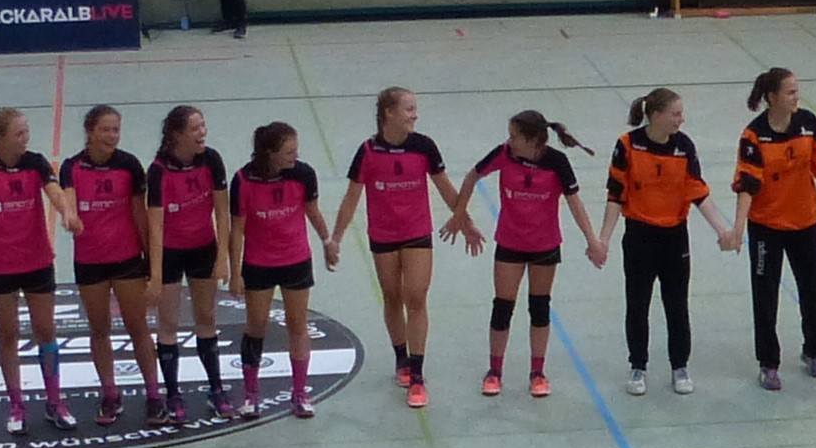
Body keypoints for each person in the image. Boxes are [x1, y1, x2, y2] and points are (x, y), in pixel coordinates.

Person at [325, 87, 482, 409]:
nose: (415, 115)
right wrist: (335, 238)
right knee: (393, 296)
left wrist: (465, 222)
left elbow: (446, 189)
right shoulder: (368, 152)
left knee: (416, 296)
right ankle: (401, 358)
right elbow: (351, 198)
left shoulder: (424, 147)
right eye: (409, 109)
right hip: (383, 235)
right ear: (389, 113)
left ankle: (418, 374)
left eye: (415, 109)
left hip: (416, 233)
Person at [441, 111, 607, 398]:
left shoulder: (556, 162)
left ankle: (537, 373)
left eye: (514, 136)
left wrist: (592, 241)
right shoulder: (505, 154)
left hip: (545, 246)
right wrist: (459, 215)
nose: (509, 141)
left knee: (539, 308)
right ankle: (495, 371)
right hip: (510, 244)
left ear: (532, 140)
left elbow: (575, 203)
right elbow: (472, 176)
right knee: (502, 307)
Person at [728, 68, 816, 391]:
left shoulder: (808, 123)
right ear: (772, 97)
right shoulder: (753, 136)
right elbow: (747, 185)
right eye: (790, 92)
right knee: (765, 295)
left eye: (796, 91)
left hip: (805, 223)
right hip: (766, 227)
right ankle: (768, 363)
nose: (796, 97)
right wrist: (738, 229)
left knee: (812, 289)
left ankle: (813, 352)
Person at [596, 87, 735, 396]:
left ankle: (679, 366)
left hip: (674, 238)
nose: (681, 120)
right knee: (637, 304)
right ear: (656, 115)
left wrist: (722, 230)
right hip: (639, 237)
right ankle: (638, 366)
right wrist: (603, 239)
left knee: (677, 304)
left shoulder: (684, 147)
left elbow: (697, 192)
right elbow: (616, 195)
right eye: (675, 114)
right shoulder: (627, 145)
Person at [0, 108, 79, 432]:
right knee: (8, 334)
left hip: (37, 260)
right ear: (0, 138)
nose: (26, 138)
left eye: (26, 132)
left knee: (46, 330)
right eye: (19, 134)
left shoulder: (35, 163)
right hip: (0, 264)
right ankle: (16, 405)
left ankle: (55, 402)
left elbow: (55, 192)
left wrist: (66, 212)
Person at [61, 105, 163, 426]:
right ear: (90, 131)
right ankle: (110, 394)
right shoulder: (72, 167)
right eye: (105, 129)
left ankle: (153, 395)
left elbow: (140, 215)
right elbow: (67, 199)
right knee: (99, 329)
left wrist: (151, 263)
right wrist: (69, 216)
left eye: (116, 129)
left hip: (127, 260)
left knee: (138, 328)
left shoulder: (129, 165)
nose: (112, 136)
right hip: (89, 262)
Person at [229, 122, 333, 417]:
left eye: (296, 150)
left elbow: (312, 211)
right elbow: (237, 230)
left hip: (296, 259)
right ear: (270, 153)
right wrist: (235, 272)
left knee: (297, 324)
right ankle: (251, 395)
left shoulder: (303, 174)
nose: (295, 156)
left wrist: (327, 241)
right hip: (259, 263)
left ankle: (300, 394)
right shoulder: (243, 180)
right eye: (289, 151)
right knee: (256, 326)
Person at [148, 105, 232, 423]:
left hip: (203, 248)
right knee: (168, 324)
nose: (203, 133)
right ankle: (173, 395)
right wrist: (156, 274)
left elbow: (222, 212)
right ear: (177, 134)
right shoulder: (159, 171)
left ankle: (216, 389)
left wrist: (222, 258)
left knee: (206, 319)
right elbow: (155, 227)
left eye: (203, 126)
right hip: (170, 252)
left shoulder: (211, 160)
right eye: (195, 128)